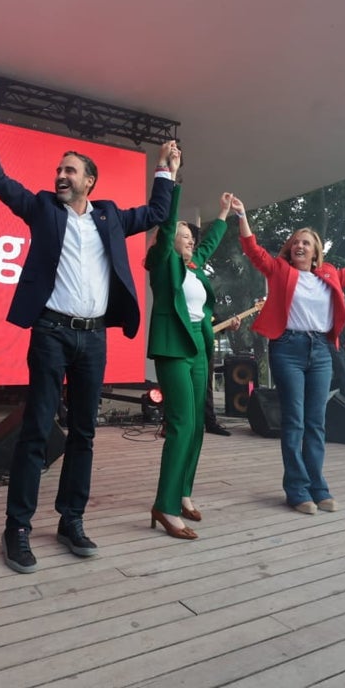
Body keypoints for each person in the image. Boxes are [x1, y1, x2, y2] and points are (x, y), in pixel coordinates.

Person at [0, 101, 176, 573]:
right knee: (37, 430)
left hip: (93, 340)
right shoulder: (43, 208)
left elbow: (159, 211)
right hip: (50, 332)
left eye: (70, 170)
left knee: (84, 432)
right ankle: (17, 528)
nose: (60, 175)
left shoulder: (110, 217)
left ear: (89, 181)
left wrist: (165, 168)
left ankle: (71, 519)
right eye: (58, 169)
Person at [237, 206, 345, 514]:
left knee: (316, 421)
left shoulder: (330, 274)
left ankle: (318, 487)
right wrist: (241, 216)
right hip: (288, 348)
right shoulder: (280, 270)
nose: (299, 245)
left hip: (320, 350)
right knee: (294, 420)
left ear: (316, 251)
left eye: (306, 242)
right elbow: (253, 250)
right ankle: (297, 490)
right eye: (295, 242)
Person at [145, 187, 237, 539]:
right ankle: (164, 506)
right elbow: (168, 230)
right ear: (167, 240)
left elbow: (208, 243)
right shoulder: (162, 264)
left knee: (198, 424)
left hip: (199, 344)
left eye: (189, 237)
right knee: (181, 424)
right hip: (172, 347)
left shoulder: (194, 269)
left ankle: (182, 493)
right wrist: (172, 181)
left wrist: (224, 214)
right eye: (181, 236)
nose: (188, 240)